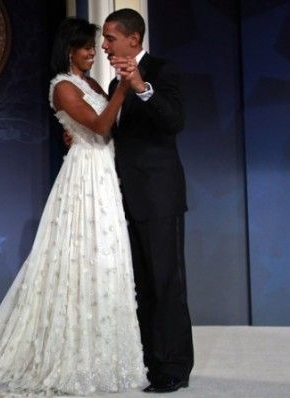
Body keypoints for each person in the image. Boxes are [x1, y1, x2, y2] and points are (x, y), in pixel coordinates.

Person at [0, 18, 146, 396]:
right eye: (87, 46)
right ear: (69, 49)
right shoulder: (63, 87)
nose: (93, 52)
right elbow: (101, 126)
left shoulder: (90, 83)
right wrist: (123, 87)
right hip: (84, 179)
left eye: (95, 45)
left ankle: (104, 354)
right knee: (80, 259)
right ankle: (69, 354)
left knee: (106, 258)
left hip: (104, 175)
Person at [101, 8, 193, 393]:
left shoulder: (163, 71)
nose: (104, 46)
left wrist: (142, 86)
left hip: (159, 196)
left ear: (133, 40)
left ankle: (174, 368)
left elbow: (174, 121)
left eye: (110, 38)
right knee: (143, 286)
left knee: (166, 283)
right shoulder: (112, 86)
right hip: (127, 197)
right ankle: (152, 364)